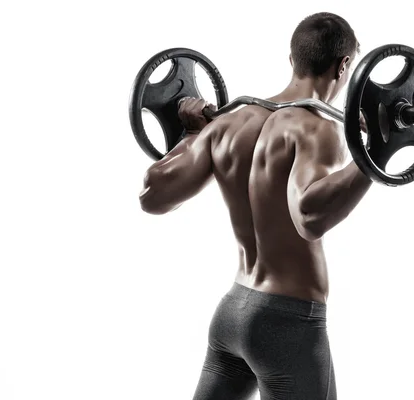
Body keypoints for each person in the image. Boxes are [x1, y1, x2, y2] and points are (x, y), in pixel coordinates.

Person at [139, 12, 370, 400]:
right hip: (289, 324)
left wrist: (192, 135)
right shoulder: (317, 128)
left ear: (292, 59)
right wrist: (370, 158)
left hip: (233, 313)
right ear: (344, 65)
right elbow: (310, 216)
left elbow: (153, 195)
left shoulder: (230, 122)